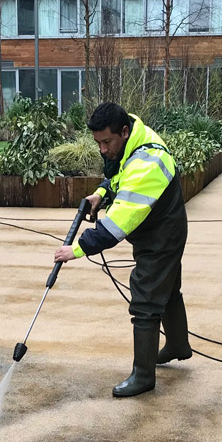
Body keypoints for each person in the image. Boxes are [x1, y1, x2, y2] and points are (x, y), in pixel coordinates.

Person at [54, 102, 191, 398]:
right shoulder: (133, 143)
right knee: (166, 290)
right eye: (98, 143)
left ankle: (143, 376)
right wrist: (101, 193)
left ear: (124, 131)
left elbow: (117, 225)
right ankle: (179, 346)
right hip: (159, 229)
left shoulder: (148, 162)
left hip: (162, 237)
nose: (102, 149)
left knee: (145, 298)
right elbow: (119, 176)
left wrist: (76, 250)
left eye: (107, 142)